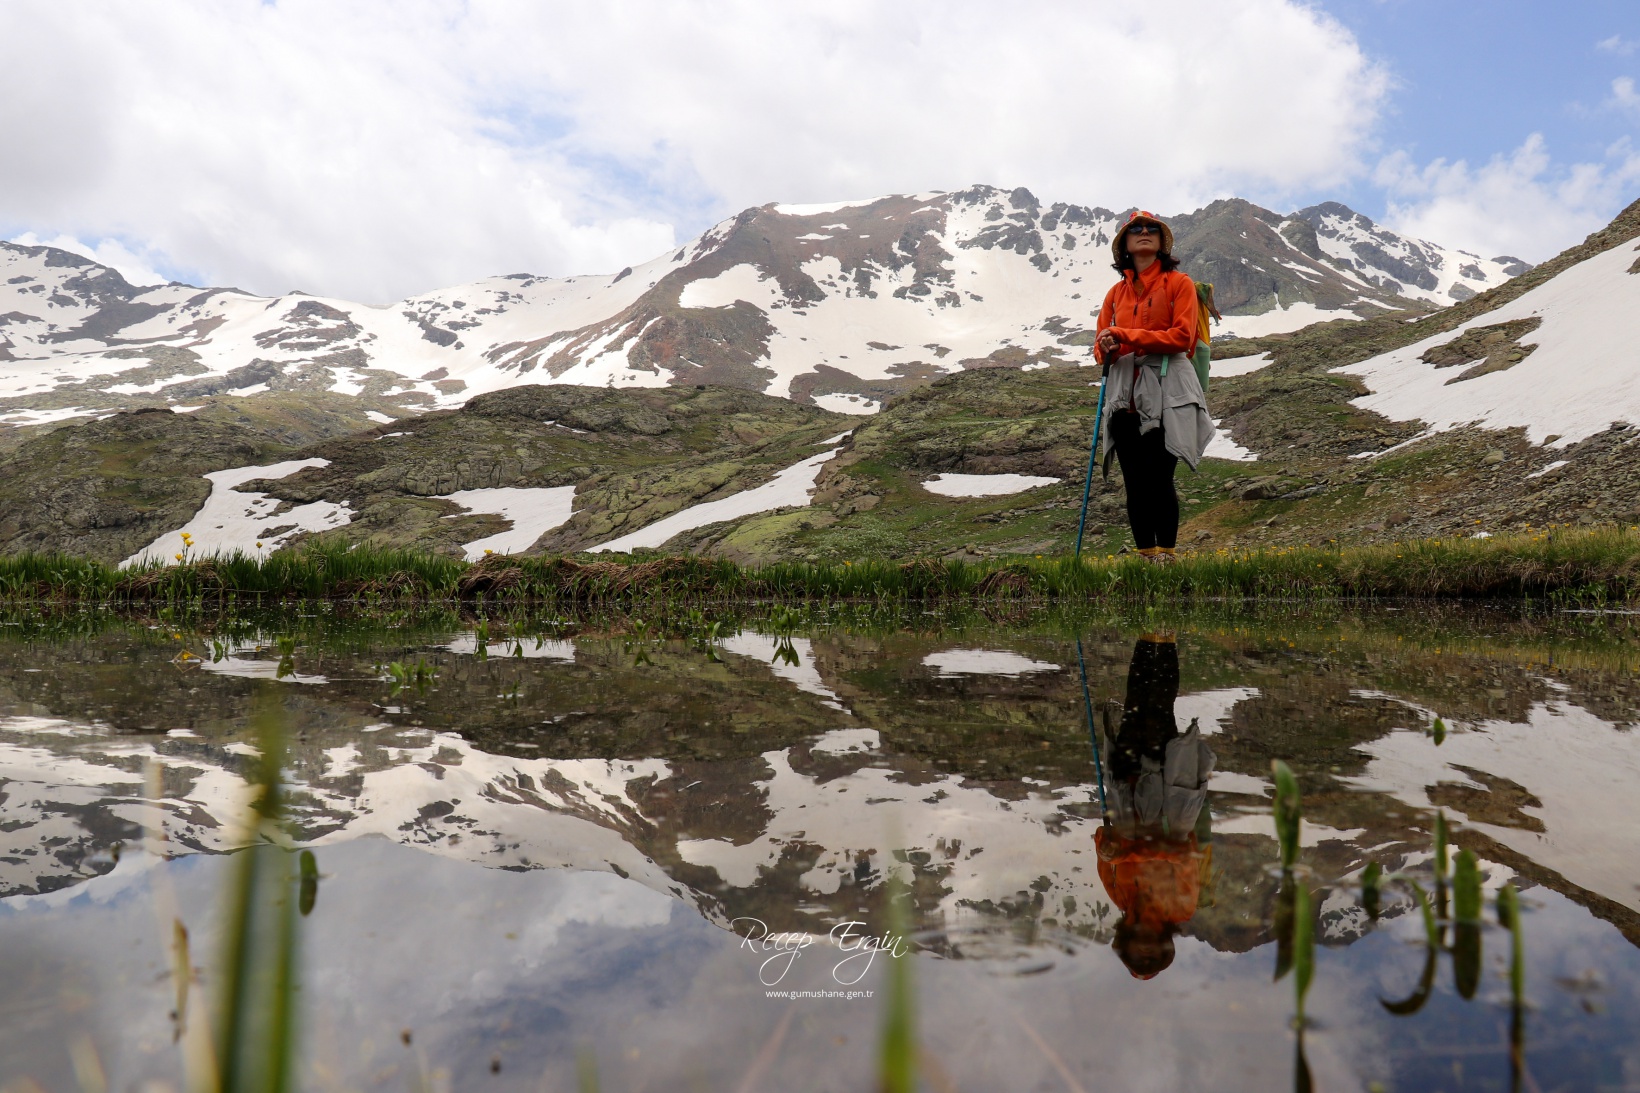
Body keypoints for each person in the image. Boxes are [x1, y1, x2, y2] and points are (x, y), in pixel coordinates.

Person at [1094, 211, 1216, 564]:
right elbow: (1100, 347)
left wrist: (1123, 335)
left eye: (1151, 230)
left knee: (1160, 477)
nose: (1144, 233)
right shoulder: (1115, 294)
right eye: (1135, 230)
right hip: (1124, 393)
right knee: (1134, 479)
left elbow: (1182, 337)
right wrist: (1107, 347)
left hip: (1169, 390)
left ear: (1162, 243)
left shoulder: (1179, 283)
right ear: (1125, 245)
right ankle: (1147, 557)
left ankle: (1166, 556)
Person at [1095, 633, 1216, 979]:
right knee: (1160, 708)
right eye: (1152, 957)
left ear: (1126, 944)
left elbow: (1104, 846)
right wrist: (1128, 854)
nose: (1144, 951)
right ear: (1165, 948)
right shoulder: (1181, 907)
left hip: (1127, 790)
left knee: (1136, 706)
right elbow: (1183, 854)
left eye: (1137, 955)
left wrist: (1111, 850)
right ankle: (1166, 639)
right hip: (1169, 795)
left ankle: (1148, 638)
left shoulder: (1119, 897)